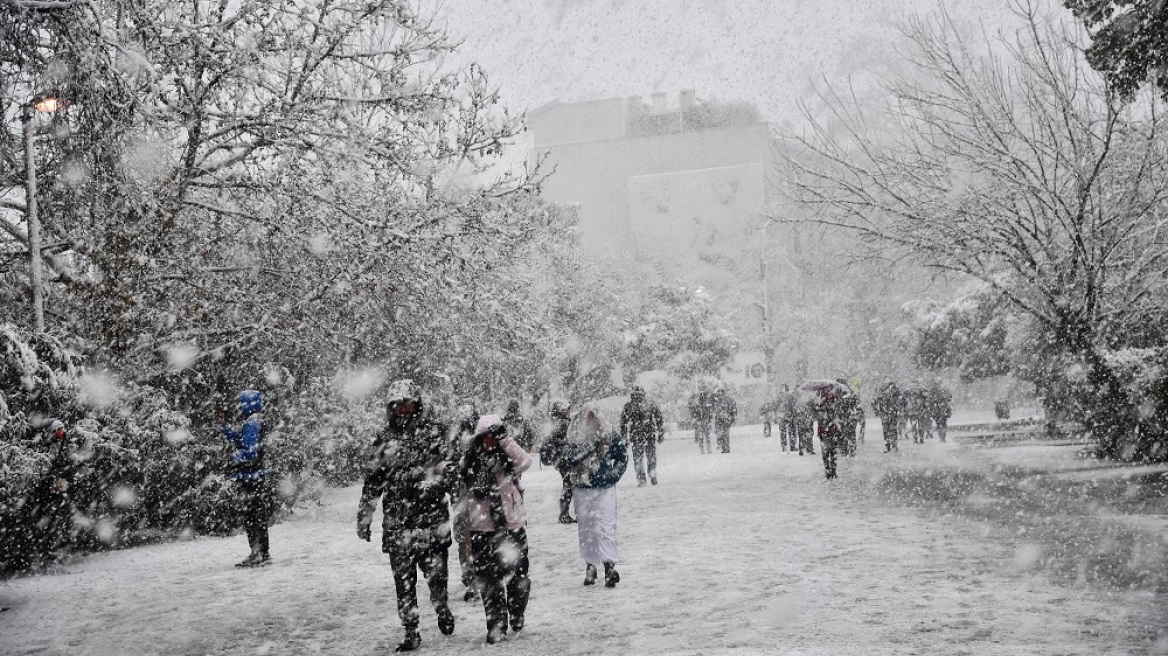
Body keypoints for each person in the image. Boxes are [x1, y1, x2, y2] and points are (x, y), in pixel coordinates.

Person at [357, 379, 455, 653]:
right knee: (403, 581)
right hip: (398, 522)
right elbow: (373, 480)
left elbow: (449, 468)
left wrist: (434, 482)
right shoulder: (384, 438)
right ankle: (411, 631)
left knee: (437, 577)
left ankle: (442, 606)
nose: (403, 409)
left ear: (417, 403)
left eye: (408, 403)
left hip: (431, 519)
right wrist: (364, 516)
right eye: (397, 404)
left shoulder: (435, 432)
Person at [460, 414, 533, 644]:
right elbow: (456, 472)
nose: (490, 441)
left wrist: (506, 440)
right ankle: (496, 625)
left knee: (518, 577)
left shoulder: (510, 459)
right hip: (482, 528)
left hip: (511, 525)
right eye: (486, 437)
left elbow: (526, 461)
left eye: (495, 436)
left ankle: (517, 612)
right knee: (488, 580)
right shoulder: (471, 460)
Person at [562, 405, 628, 587]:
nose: (589, 421)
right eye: (586, 418)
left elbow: (622, 456)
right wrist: (587, 447)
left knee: (607, 525)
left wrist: (614, 475)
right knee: (586, 529)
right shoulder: (574, 436)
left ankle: (609, 566)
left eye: (592, 417)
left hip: (605, 487)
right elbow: (567, 458)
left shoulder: (608, 434)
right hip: (582, 487)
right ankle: (590, 565)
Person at [220, 390, 272, 568]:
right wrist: (227, 430)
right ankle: (261, 553)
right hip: (256, 475)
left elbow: (249, 452)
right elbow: (243, 441)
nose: (240, 407)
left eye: (242, 403)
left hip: (250, 477)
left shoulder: (252, 422)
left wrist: (231, 458)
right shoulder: (256, 420)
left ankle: (258, 553)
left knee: (252, 516)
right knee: (257, 515)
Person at [31, 419, 75, 570]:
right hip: (47, 494)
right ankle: (45, 558)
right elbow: (45, 469)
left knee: (58, 524)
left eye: (62, 429)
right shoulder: (46, 446)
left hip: (59, 492)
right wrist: (51, 483)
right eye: (58, 430)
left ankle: (53, 556)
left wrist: (64, 481)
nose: (61, 432)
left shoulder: (64, 444)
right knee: (46, 526)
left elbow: (67, 466)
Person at [449, 404, 480, 601]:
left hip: (469, 497)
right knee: (468, 540)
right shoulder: (476, 440)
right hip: (468, 497)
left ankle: (473, 578)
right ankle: (472, 578)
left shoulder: (459, 441)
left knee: (467, 540)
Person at [619, 386, 665, 487]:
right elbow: (659, 418)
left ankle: (644, 477)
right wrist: (660, 432)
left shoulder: (630, 406)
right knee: (648, 457)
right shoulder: (647, 404)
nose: (638, 397)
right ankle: (649, 475)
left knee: (640, 458)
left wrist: (624, 437)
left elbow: (623, 423)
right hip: (646, 434)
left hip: (640, 435)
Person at [539, 400, 577, 524]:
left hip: (560, 459)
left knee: (568, 484)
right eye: (567, 409)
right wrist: (567, 443)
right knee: (568, 485)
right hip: (563, 459)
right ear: (562, 411)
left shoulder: (559, 422)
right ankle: (564, 514)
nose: (569, 411)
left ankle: (564, 513)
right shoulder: (563, 423)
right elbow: (558, 440)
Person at [811, 385, 848, 479]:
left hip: (824, 430)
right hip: (832, 430)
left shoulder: (820, 401)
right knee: (833, 452)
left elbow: (815, 413)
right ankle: (833, 471)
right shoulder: (833, 399)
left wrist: (818, 406)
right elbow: (838, 412)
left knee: (826, 453)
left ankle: (828, 471)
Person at [873, 380, 904, 453]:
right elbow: (876, 403)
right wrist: (878, 411)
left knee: (892, 430)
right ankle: (888, 446)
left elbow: (903, 402)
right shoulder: (884, 394)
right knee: (886, 431)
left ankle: (893, 446)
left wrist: (900, 410)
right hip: (885, 415)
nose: (893, 390)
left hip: (892, 415)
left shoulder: (898, 394)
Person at [688, 384, 715, 454]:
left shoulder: (698, 406)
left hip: (700, 421)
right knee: (705, 436)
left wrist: (695, 419)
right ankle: (707, 449)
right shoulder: (705, 406)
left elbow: (693, 413)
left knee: (702, 436)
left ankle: (703, 449)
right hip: (703, 421)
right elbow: (709, 414)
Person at [711, 386, 737, 454]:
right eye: (719, 393)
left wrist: (732, 417)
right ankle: (725, 447)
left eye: (720, 393)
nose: (720, 394)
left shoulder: (719, 401)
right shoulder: (727, 400)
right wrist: (733, 418)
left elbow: (734, 409)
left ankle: (724, 447)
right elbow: (734, 410)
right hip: (725, 419)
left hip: (723, 419)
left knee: (722, 434)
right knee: (724, 434)